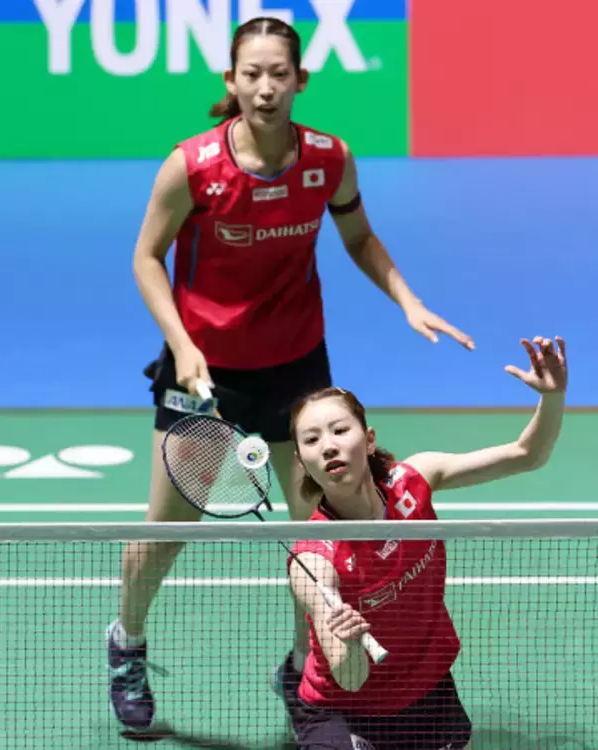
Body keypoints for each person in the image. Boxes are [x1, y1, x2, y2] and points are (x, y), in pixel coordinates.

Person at [106, 16, 474, 732]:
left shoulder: (328, 160)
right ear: (232, 80)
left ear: (301, 80)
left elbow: (359, 237)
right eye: (253, 74)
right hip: (203, 371)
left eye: (280, 74)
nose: (266, 88)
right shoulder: (193, 165)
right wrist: (181, 343)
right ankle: (128, 644)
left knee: (316, 537)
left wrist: (407, 299)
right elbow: (146, 257)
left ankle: (301, 661)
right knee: (166, 531)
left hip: (296, 370)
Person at [278, 336, 567, 749]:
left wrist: (552, 397)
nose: (328, 446)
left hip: (426, 689)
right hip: (346, 707)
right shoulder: (313, 560)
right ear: (303, 461)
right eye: (311, 440)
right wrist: (349, 643)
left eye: (340, 430)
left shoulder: (413, 482)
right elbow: (350, 678)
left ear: (369, 439)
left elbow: (527, 454)